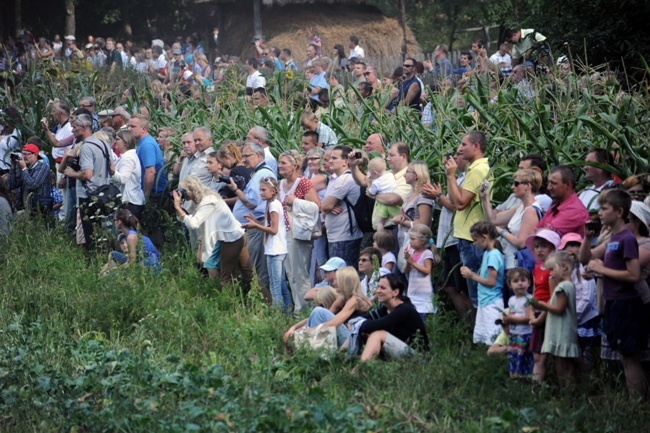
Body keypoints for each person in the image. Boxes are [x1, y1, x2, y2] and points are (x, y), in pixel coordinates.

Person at [580, 189, 648, 399]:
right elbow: (585, 258)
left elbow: (633, 274)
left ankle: (637, 403)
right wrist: (587, 238)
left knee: (629, 357)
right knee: (622, 355)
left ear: (619, 212)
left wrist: (602, 270)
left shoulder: (627, 239)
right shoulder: (614, 238)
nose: (600, 213)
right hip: (612, 302)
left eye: (604, 208)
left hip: (626, 304)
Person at [173, 176, 253, 290]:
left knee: (226, 277)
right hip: (236, 235)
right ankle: (266, 302)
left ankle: (228, 305)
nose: (182, 195)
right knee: (248, 275)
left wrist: (177, 207)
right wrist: (180, 207)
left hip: (232, 240)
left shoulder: (208, 202)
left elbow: (193, 223)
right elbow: (189, 217)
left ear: (191, 191)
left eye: (184, 192)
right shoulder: (204, 197)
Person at [445, 131, 491, 308]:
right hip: (468, 236)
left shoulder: (477, 170)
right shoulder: (474, 169)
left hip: (472, 238)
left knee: (476, 295)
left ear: (476, 146)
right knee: (472, 291)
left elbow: (460, 203)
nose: (460, 148)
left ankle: (481, 334)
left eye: (464, 145)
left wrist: (450, 176)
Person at [277, 150, 321, 311]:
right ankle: (298, 306)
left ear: (294, 165)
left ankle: (305, 309)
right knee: (290, 273)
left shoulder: (303, 183)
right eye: (279, 162)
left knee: (300, 273)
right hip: (284, 232)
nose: (280, 166)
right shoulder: (280, 184)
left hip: (299, 233)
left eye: (283, 163)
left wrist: (295, 201)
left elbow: (317, 206)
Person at [284, 266, 372, 346]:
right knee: (317, 312)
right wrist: (294, 328)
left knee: (318, 311)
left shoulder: (355, 300)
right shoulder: (343, 298)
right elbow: (318, 316)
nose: (334, 283)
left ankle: (307, 347)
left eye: (337, 280)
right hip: (346, 334)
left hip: (352, 339)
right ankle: (307, 346)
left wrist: (307, 332)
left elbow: (334, 323)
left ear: (344, 281)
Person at [230, 142, 276, 293]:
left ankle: (265, 300)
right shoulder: (258, 173)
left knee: (256, 266)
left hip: (256, 226)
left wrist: (236, 189)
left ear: (258, 155)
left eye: (246, 156)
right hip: (254, 225)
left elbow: (251, 202)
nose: (243, 160)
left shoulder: (262, 174)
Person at [530, 251, 580, 387]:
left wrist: (541, 304)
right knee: (562, 364)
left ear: (564, 266)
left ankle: (568, 393)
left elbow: (559, 309)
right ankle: (567, 392)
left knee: (564, 366)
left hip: (562, 332)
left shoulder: (563, 286)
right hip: (562, 330)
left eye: (552, 269)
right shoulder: (568, 285)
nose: (550, 274)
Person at [243, 177, 292, 312]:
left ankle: (277, 316)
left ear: (273, 191)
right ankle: (288, 312)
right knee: (281, 284)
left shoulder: (273, 205)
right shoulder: (271, 204)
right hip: (275, 248)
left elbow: (274, 230)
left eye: (264, 190)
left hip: (275, 250)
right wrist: (256, 223)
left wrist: (255, 226)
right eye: (260, 190)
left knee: (275, 286)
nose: (261, 193)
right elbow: (270, 227)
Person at [64, 115, 112, 249]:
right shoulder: (103, 143)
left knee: (89, 231)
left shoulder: (86, 147)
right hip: (104, 191)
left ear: (84, 128)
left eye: (74, 127)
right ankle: (104, 252)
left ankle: (92, 258)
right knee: (102, 228)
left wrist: (72, 174)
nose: (72, 130)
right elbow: (112, 169)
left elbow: (87, 174)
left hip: (88, 194)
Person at [480, 169, 543, 270]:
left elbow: (521, 243)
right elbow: (493, 219)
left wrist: (499, 230)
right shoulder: (520, 207)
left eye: (516, 183)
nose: (512, 187)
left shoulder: (531, 210)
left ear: (528, 186)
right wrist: (484, 198)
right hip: (511, 261)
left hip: (519, 265)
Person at [358, 273, 430, 361]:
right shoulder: (386, 309)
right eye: (378, 287)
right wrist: (356, 322)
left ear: (395, 292)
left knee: (377, 334)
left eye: (382, 288)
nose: (377, 291)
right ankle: (342, 357)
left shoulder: (403, 310)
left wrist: (357, 323)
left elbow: (374, 325)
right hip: (401, 351)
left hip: (419, 358)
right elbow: (365, 319)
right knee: (362, 330)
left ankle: (359, 369)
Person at [461, 221, 505, 345]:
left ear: (484, 237)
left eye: (475, 240)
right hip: (484, 301)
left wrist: (472, 276)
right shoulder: (487, 253)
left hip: (492, 302)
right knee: (482, 339)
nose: (474, 244)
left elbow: (491, 282)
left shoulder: (494, 255)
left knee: (493, 339)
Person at [525, 228, 561, 383]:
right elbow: (534, 295)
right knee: (537, 356)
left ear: (552, 248)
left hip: (549, 313)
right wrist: (532, 315)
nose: (539, 250)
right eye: (537, 246)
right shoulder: (536, 269)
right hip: (538, 313)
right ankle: (536, 389)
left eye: (544, 246)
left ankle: (565, 389)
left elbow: (553, 298)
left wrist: (540, 318)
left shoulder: (553, 270)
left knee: (557, 355)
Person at [321, 145, 362, 266]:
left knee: (342, 275)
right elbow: (325, 209)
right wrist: (327, 208)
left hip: (344, 237)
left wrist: (328, 208)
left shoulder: (345, 179)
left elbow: (325, 206)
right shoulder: (336, 179)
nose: (330, 161)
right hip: (338, 236)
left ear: (345, 161)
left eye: (334, 158)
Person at [393, 161, 434, 268]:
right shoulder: (410, 194)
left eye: (407, 172)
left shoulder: (423, 196)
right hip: (406, 243)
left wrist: (403, 222)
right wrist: (400, 217)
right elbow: (407, 215)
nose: (404, 174)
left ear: (416, 175)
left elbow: (424, 223)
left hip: (417, 247)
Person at [101, 209, 160, 275]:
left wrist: (116, 269)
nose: (114, 222)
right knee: (113, 254)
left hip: (149, 265)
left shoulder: (131, 237)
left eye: (114, 220)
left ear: (119, 222)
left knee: (107, 274)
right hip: (143, 261)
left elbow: (132, 263)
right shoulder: (131, 233)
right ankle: (100, 276)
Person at [537, 165, 589, 237]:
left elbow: (543, 235)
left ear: (567, 185)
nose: (549, 188)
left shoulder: (574, 210)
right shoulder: (556, 206)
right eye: (548, 183)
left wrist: (540, 230)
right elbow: (535, 230)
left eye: (553, 183)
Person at [502, 267, 534, 378]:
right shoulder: (511, 300)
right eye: (516, 281)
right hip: (514, 334)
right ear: (510, 285)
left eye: (523, 280)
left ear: (529, 283)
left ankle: (524, 378)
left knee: (523, 357)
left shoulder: (528, 299)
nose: (520, 283)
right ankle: (513, 377)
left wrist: (512, 320)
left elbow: (529, 318)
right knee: (512, 355)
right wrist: (507, 324)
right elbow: (511, 314)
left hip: (524, 334)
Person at [127, 114, 167, 199]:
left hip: (154, 194)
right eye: (128, 126)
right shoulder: (143, 142)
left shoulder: (146, 145)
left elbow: (150, 172)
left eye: (133, 126)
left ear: (143, 129)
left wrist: (145, 197)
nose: (129, 129)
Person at [8, 142, 52, 216]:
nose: (23, 157)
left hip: (39, 210)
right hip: (25, 209)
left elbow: (32, 184)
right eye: (22, 154)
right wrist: (13, 167)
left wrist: (24, 169)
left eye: (26, 154)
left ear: (35, 155)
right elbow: (12, 185)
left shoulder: (42, 168)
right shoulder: (22, 168)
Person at [110, 129, 145, 219]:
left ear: (125, 142)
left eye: (118, 139)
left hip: (130, 201)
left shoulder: (128, 157)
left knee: (129, 230)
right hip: (130, 200)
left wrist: (113, 172)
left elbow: (123, 179)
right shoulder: (126, 156)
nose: (115, 142)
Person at [403, 224, 436, 318]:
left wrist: (412, 262)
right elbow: (406, 271)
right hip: (413, 290)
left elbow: (427, 270)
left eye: (413, 239)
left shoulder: (427, 253)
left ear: (422, 241)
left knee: (422, 316)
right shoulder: (412, 252)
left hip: (423, 293)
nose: (410, 242)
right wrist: (408, 261)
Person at [366, 157, 398, 232]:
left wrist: (368, 183)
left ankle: (379, 235)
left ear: (375, 173)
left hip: (383, 204)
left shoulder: (376, 183)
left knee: (380, 222)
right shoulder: (390, 175)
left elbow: (370, 193)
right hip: (394, 203)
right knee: (397, 219)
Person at [216, 142, 252, 207]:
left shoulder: (235, 171)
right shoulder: (246, 167)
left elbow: (240, 196)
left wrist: (223, 201)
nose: (221, 165)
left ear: (227, 157)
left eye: (221, 162)